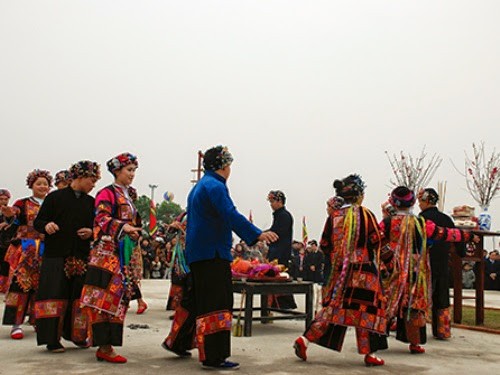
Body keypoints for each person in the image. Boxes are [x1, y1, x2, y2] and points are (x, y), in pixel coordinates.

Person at [164, 145, 278, 370]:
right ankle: (213, 356)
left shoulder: (199, 187)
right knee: (217, 303)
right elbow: (230, 214)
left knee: (196, 301)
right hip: (213, 252)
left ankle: (177, 341)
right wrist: (256, 234)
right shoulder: (215, 186)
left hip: (198, 253)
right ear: (224, 165)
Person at [294, 174, 388, 367]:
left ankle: (305, 340)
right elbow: (375, 240)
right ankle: (369, 353)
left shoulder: (334, 217)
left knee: (333, 309)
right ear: (359, 195)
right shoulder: (366, 214)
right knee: (365, 311)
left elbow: (325, 244)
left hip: (340, 272)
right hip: (364, 271)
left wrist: (338, 259)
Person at [379, 186, 479, 354]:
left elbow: (375, 239)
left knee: (387, 301)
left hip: (393, 270)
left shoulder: (388, 222)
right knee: (416, 304)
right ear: (411, 202)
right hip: (417, 270)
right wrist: (468, 236)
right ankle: (415, 343)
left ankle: (379, 337)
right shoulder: (420, 223)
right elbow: (446, 233)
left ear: (393, 203)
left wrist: (386, 258)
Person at [80, 152, 143, 363]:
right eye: (129, 170)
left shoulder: (129, 194)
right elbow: (101, 217)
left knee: (119, 298)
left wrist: (136, 231)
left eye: (134, 170)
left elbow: (135, 221)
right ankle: (103, 346)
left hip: (124, 251)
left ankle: (107, 345)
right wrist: (123, 226)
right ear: (117, 171)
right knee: (103, 298)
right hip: (107, 253)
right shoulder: (107, 193)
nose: (132, 174)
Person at [33, 161, 100, 352]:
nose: (93, 184)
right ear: (80, 177)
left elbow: (97, 227)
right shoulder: (55, 198)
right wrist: (46, 226)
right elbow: (39, 221)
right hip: (56, 255)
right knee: (54, 296)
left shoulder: (91, 202)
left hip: (80, 256)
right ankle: (51, 340)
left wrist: (91, 232)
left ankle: (77, 335)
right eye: (91, 180)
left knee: (78, 298)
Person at [2, 169, 53, 339]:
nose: (42, 186)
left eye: (45, 184)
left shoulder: (51, 203)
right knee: (21, 285)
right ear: (31, 185)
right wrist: (9, 215)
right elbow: (14, 217)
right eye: (38, 183)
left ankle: (37, 320)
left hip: (47, 249)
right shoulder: (22, 203)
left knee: (43, 287)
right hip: (26, 249)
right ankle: (16, 324)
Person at [417, 187, 461, 340]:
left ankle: (418, 332)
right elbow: (456, 237)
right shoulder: (446, 219)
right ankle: (443, 331)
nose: (419, 204)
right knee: (441, 297)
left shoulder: (420, 219)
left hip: (424, 265)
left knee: (422, 298)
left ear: (427, 201)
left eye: (420, 201)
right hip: (442, 263)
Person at [267, 190, 296, 309]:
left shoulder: (284, 216)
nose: (271, 204)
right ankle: (275, 304)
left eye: (272, 201)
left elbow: (277, 233)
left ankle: (285, 305)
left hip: (281, 253)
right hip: (275, 252)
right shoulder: (279, 215)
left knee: (280, 278)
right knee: (273, 279)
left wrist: (265, 234)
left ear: (279, 201)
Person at [0, 189, 17, 293]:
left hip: (7, 242)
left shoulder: (12, 213)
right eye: (1, 199)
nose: (3, 201)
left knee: (6, 265)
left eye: (5, 199)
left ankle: (4, 287)